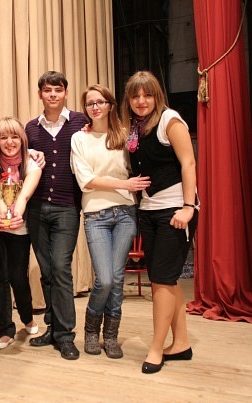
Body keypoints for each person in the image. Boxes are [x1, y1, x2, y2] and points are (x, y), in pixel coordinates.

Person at [120, 71, 198, 374]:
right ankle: (181, 343)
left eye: (147, 95)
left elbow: (188, 163)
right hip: (149, 209)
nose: (142, 101)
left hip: (174, 209)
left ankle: (156, 348)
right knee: (165, 279)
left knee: (161, 281)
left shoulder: (170, 120)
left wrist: (188, 207)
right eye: (136, 96)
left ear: (157, 96)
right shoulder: (134, 128)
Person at [70, 85, 151, 359]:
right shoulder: (79, 139)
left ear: (110, 105)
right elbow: (86, 180)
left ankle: (111, 335)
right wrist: (124, 184)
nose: (95, 107)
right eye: (90, 103)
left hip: (125, 213)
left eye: (100, 102)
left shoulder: (125, 135)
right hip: (96, 215)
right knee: (104, 280)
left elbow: (138, 166)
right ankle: (91, 330)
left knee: (116, 280)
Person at [25, 71, 88, 360]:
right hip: (37, 209)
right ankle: (52, 327)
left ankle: (65, 336)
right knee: (47, 271)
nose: (53, 94)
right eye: (47, 90)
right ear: (40, 93)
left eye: (58, 90)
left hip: (67, 207)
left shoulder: (80, 122)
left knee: (61, 268)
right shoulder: (30, 128)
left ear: (65, 93)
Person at [0, 117, 41, 350]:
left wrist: (15, 217)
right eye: (3, 137)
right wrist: (2, 216)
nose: (9, 142)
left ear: (22, 139)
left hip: (20, 224)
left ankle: (27, 317)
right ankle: (5, 330)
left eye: (14, 136)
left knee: (18, 276)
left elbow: (24, 195)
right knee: (1, 276)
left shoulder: (32, 164)